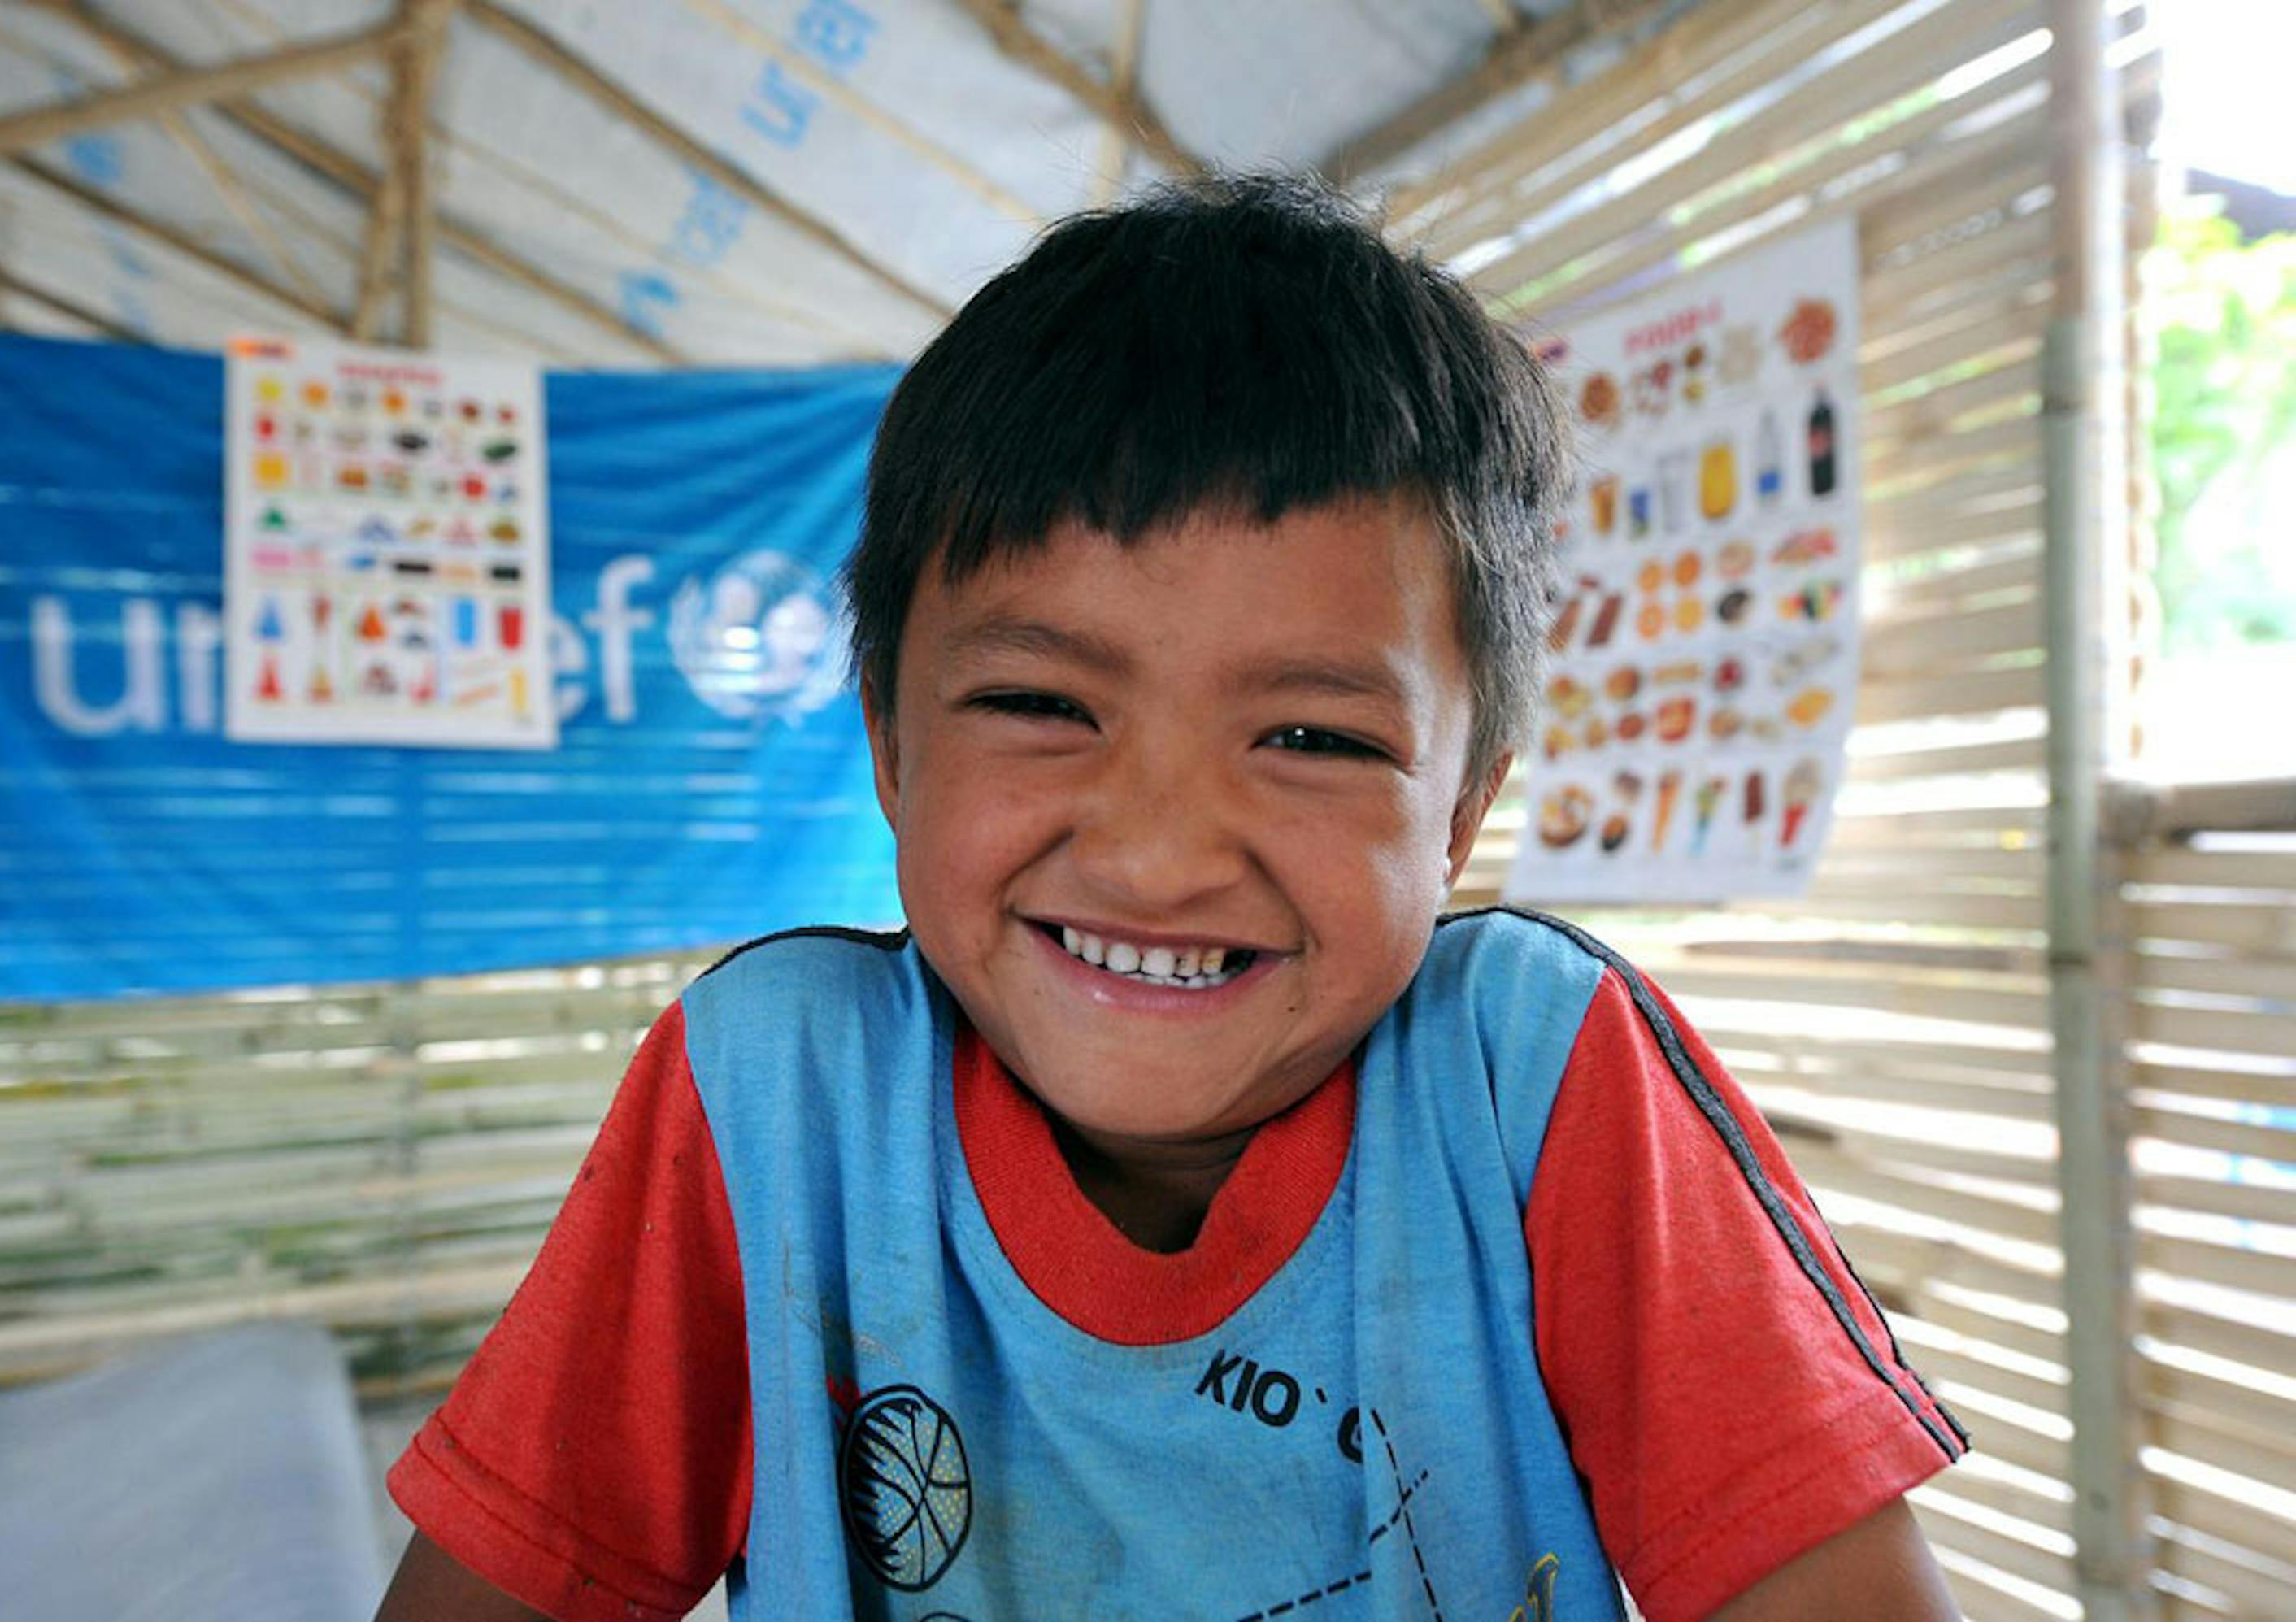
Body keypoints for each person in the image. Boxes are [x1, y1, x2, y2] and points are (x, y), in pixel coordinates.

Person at [376, 176, 1968, 1622]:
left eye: (1313, 736)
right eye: (1041, 704)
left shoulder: (1536, 1080)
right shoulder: (775, 1094)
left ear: (1464, 813)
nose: (1157, 850)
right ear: (887, 741)